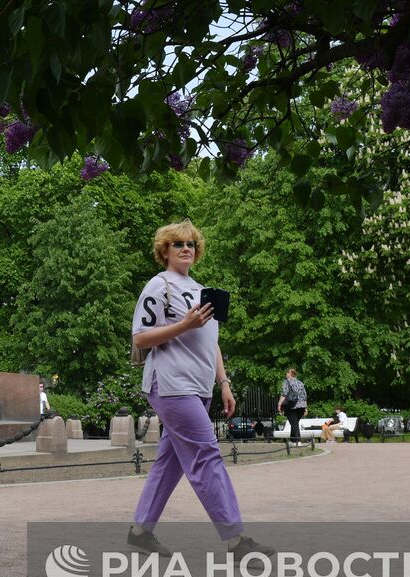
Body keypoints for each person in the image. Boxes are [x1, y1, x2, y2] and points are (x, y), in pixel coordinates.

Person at [126, 221, 269, 557]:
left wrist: (224, 383)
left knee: (170, 461)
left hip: (199, 386)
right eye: (177, 243)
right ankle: (236, 540)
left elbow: (211, 342)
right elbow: (139, 338)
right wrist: (184, 324)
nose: (186, 248)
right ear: (165, 250)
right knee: (206, 456)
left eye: (190, 243)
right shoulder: (158, 286)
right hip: (172, 385)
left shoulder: (201, 289)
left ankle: (140, 531)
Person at [278, 368, 308, 441]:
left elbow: (284, 394)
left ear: (291, 374)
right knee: (294, 423)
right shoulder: (301, 383)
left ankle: (297, 441)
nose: (286, 374)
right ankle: (293, 440)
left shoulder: (286, 382)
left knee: (294, 424)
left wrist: (279, 404)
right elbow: (304, 396)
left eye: (287, 373)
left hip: (292, 406)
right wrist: (306, 408)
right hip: (302, 407)